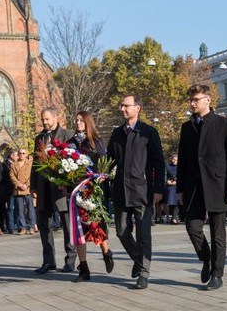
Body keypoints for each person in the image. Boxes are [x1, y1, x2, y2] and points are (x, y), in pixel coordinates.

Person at [177, 84, 227, 290]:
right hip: (193, 186)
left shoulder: (223, 124)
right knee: (192, 227)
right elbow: (184, 159)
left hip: (217, 185)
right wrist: (180, 189)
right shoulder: (187, 127)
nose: (193, 103)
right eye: (191, 100)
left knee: (218, 233)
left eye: (196, 99)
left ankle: (217, 274)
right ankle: (206, 257)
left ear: (208, 100)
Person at [107, 93, 165, 289]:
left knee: (143, 234)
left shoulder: (148, 132)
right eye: (121, 105)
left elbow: (159, 162)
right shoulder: (117, 134)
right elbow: (109, 162)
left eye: (126, 105)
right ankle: (138, 259)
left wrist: (159, 188)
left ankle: (143, 273)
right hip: (121, 192)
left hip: (143, 191)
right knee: (122, 232)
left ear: (137, 108)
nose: (122, 109)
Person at [67, 110, 115, 282]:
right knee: (79, 229)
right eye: (76, 120)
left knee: (95, 225)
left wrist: (100, 176)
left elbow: (104, 165)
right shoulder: (70, 143)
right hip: (76, 191)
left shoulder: (96, 142)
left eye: (81, 120)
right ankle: (84, 268)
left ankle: (106, 252)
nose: (78, 122)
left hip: (93, 190)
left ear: (88, 122)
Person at [31, 107, 75, 274]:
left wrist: (69, 183)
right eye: (42, 119)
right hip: (43, 187)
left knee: (66, 224)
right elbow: (36, 163)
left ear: (56, 118)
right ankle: (48, 261)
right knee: (43, 224)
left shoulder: (67, 135)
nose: (44, 122)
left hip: (60, 187)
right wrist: (33, 185)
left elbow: (72, 159)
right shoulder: (39, 138)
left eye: (47, 119)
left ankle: (70, 260)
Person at [9, 148, 36, 236]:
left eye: (23, 153)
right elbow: (12, 176)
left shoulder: (30, 163)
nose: (21, 155)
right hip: (18, 189)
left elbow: (32, 175)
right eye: (19, 153)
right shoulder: (14, 164)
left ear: (26, 154)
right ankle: (23, 227)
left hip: (28, 189)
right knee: (20, 210)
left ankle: (32, 226)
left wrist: (26, 185)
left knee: (30, 209)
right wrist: (19, 184)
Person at [164, 154, 180, 224]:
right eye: (173, 159)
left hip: (178, 186)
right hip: (170, 186)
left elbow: (183, 175)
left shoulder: (180, 167)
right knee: (170, 202)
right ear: (171, 159)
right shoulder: (167, 166)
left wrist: (177, 181)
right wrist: (167, 181)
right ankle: (174, 218)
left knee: (177, 202)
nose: (175, 161)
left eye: (176, 160)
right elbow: (164, 175)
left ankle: (174, 218)